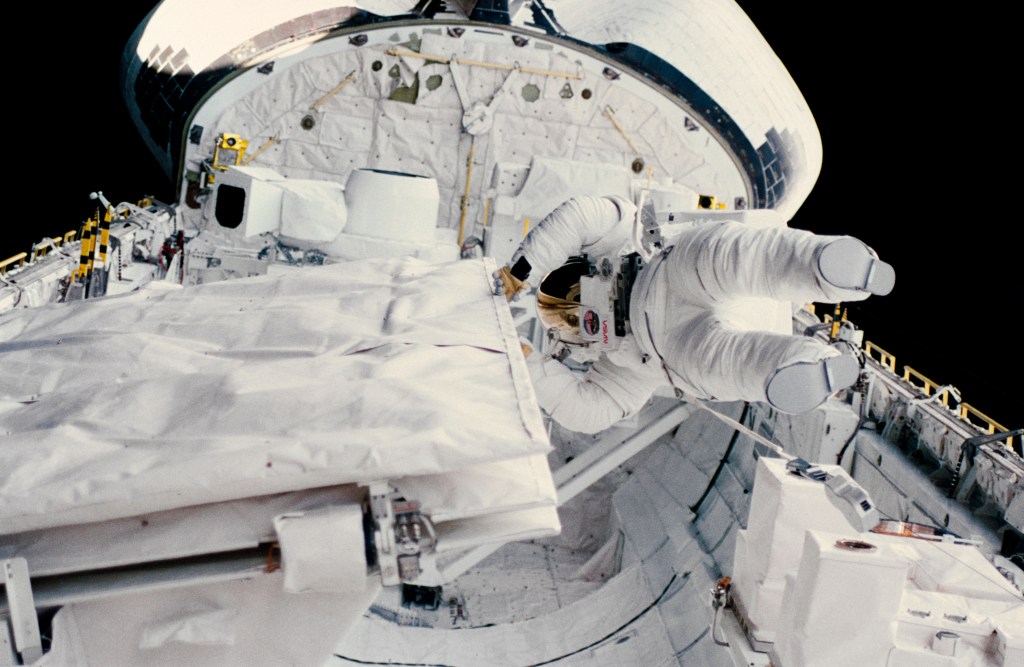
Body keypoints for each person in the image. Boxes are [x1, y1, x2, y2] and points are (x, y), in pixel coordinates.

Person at [494, 195, 894, 434]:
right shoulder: (622, 370)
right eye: (570, 316)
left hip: (667, 272)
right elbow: (586, 412)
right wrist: (525, 364)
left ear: (579, 264)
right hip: (667, 342)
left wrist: (519, 271)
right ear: (573, 341)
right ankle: (807, 366)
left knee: (737, 259)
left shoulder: (617, 235)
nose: (580, 306)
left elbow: (580, 214)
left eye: (570, 292)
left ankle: (824, 265)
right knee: (723, 364)